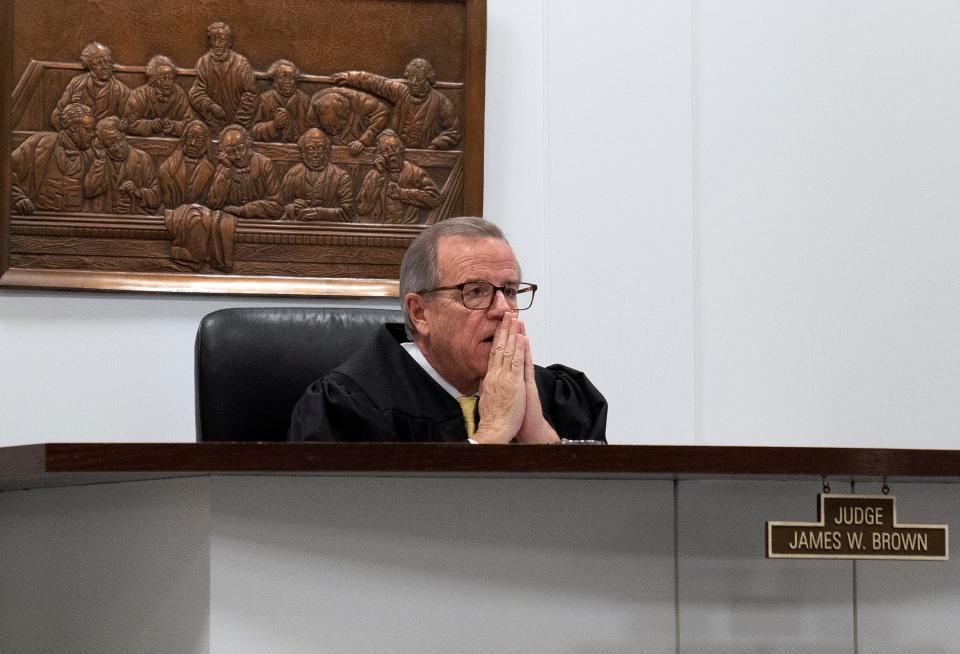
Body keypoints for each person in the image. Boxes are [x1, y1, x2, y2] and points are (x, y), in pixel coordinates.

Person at [288, 217, 607, 443]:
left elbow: (603, 521)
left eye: (509, 290)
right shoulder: (348, 407)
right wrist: (492, 435)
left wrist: (539, 438)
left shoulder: (557, 397)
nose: (503, 309)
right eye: (476, 291)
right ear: (420, 312)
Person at [333, 57, 461, 150]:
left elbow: (453, 133)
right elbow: (378, 83)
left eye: (419, 79)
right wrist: (351, 77)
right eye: (411, 78)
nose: (414, 82)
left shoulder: (443, 103)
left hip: (426, 155)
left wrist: (435, 146)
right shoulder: (402, 92)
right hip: (396, 152)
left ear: (429, 80)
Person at [11, 102, 95, 214]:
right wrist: (18, 197)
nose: (93, 134)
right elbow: (5, 170)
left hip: (79, 220)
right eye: (88, 129)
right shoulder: (38, 143)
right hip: (41, 218)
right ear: (72, 128)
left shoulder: (92, 153)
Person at [357, 129, 440, 224]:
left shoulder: (415, 172)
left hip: (409, 232)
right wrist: (378, 176)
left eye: (394, 147)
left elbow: (435, 199)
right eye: (385, 151)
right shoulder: (374, 175)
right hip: (378, 232)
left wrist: (402, 193)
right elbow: (362, 210)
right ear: (380, 155)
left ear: (401, 148)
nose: (391, 153)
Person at [188, 22, 258, 132]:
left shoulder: (241, 64)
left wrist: (238, 124)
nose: (216, 44)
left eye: (221, 39)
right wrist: (210, 105)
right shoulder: (204, 62)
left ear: (229, 42)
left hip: (238, 124)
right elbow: (196, 92)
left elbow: (250, 96)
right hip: (211, 123)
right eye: (213, 39)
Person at [84, 116, 161, 214]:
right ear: (101, 144)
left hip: (134, 222)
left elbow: (156, 198)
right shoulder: (97, 158)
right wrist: (100, 160)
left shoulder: (142, 159)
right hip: (103, 221)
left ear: (124, 135)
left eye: (119, 140)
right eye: (110, 144)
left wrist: (138, 192)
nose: (117, 147)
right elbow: (89, 191)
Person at [278, 129, 355, 221]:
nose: (315, 154)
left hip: (330, 232)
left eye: (320, 148)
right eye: (310, 149)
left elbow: (349, 212)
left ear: (327, 151)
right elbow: (278, 209)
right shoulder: (293, 175)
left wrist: (321, 213)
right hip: (298, 230)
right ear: (303, 152)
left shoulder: (341, 177)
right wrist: (292, 207)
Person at [51, 43, 131, 130]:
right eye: (98, 63)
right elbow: (56, 116)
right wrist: (72, 108)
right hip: (78, 139)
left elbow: (127, 122)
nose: (104, 66)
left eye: (107, 61)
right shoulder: (77, 83)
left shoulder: (121, 90)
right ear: (89, 65)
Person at [206, 124, 281, 218]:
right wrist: (226, 169)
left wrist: (244, 210)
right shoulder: (223, 168)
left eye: (240, 149)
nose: (238, 156)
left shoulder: (264, 164)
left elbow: (277, 206)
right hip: (230, 223)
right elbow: (213, 205)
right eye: (231, 152)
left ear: (248, 145)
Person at [123, 55, 195, 137]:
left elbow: (191, 124)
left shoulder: (179, 94)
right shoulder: (139, 94)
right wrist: (150, 125)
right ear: (153, 79)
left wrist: (174, 127)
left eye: (171, 78)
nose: (168, 82)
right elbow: (126, 124)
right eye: (163, 78)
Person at [306, 87, 390, 156]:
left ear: (342, 117)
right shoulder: (314, 111)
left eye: (330, 126)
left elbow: (383, 112)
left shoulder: (364, 103)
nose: (328, 131)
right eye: (325, 127)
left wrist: (363, 141)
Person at [158, 119, 215, 208]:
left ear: (205, 143)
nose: (193, 143)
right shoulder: (169, 166)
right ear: (185, 138)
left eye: (198, 139)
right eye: (190, 137)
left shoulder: (211, 170)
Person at [251, 59, 310, 143]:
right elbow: (253, 131)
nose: (288, 81)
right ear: (275, 78)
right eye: (284, 76)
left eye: (292, 77)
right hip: (271, 149)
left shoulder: (304, 100)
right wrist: (274, 125)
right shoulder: (265, 99)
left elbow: (312, 128)